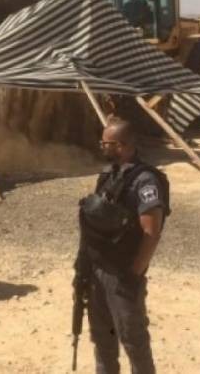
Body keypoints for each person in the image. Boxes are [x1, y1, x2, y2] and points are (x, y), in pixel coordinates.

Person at [76, 117, 169, 374]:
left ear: (122, 145)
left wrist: (133, 274)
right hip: (98, 269)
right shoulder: (110, 174)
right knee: (103, 339)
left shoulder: (146, 181)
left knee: (133, 341)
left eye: (106, 143)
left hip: (122, 274)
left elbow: (151, 232)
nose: (102, 147)